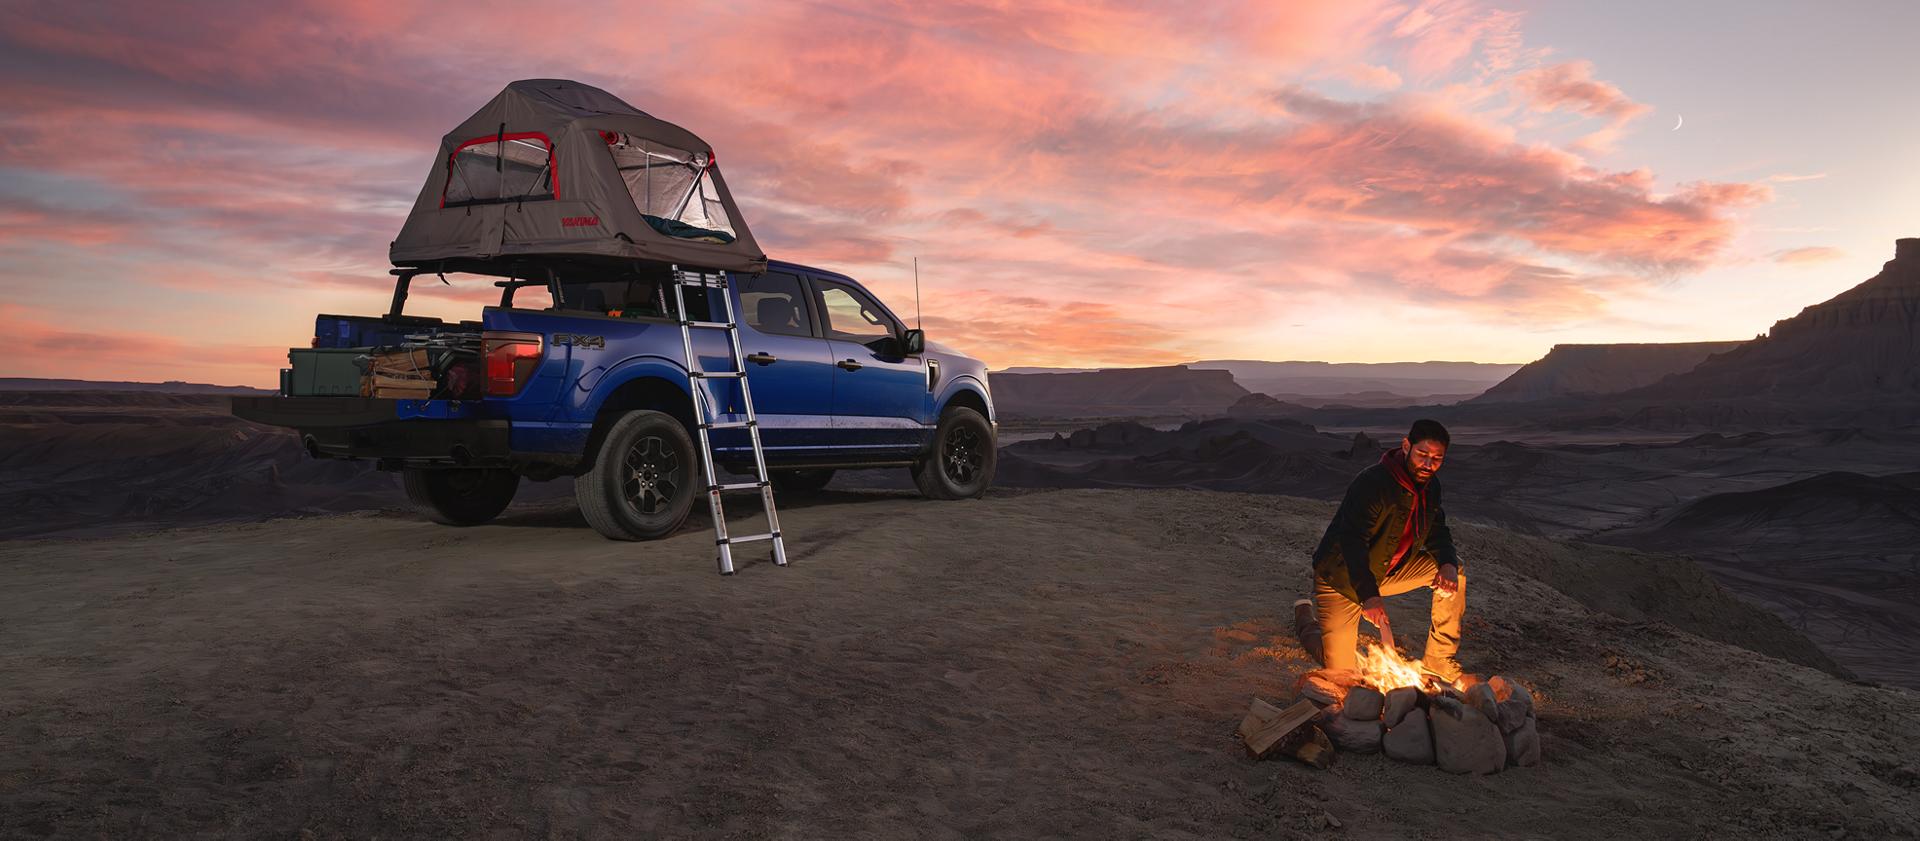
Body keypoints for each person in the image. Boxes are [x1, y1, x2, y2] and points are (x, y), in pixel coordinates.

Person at [1294, 418, 1465, 682]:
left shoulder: (1431, 487)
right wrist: (1369, 597)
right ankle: (1304, 616)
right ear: (1406, 446)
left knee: (1454, 570)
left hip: (1384, 573)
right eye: (1422, 455)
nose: (1429, 464)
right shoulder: (1373, 483)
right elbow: (1352, 542)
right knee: (1341, 671)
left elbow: (1437, 531)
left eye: (1437, 458)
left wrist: (1448, 564)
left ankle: (1439, 659)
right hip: (1343, 581)